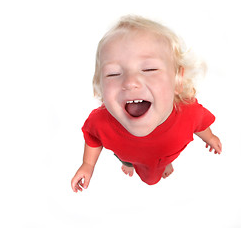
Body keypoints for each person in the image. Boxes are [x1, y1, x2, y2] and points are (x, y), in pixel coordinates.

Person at [71, 15, 222, 192]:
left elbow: (200, 124)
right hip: (127, 155)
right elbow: (93, 138)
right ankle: (130, 163)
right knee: (127, 159)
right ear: (100, 87)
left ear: (178, 80)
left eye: (149, 69)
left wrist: (210, 138)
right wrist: (88, 164)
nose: (130, 82)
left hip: (166, 154)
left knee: (163, 159)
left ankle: (164, 163)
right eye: (113, 73)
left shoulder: (189, 112)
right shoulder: (100, 121)